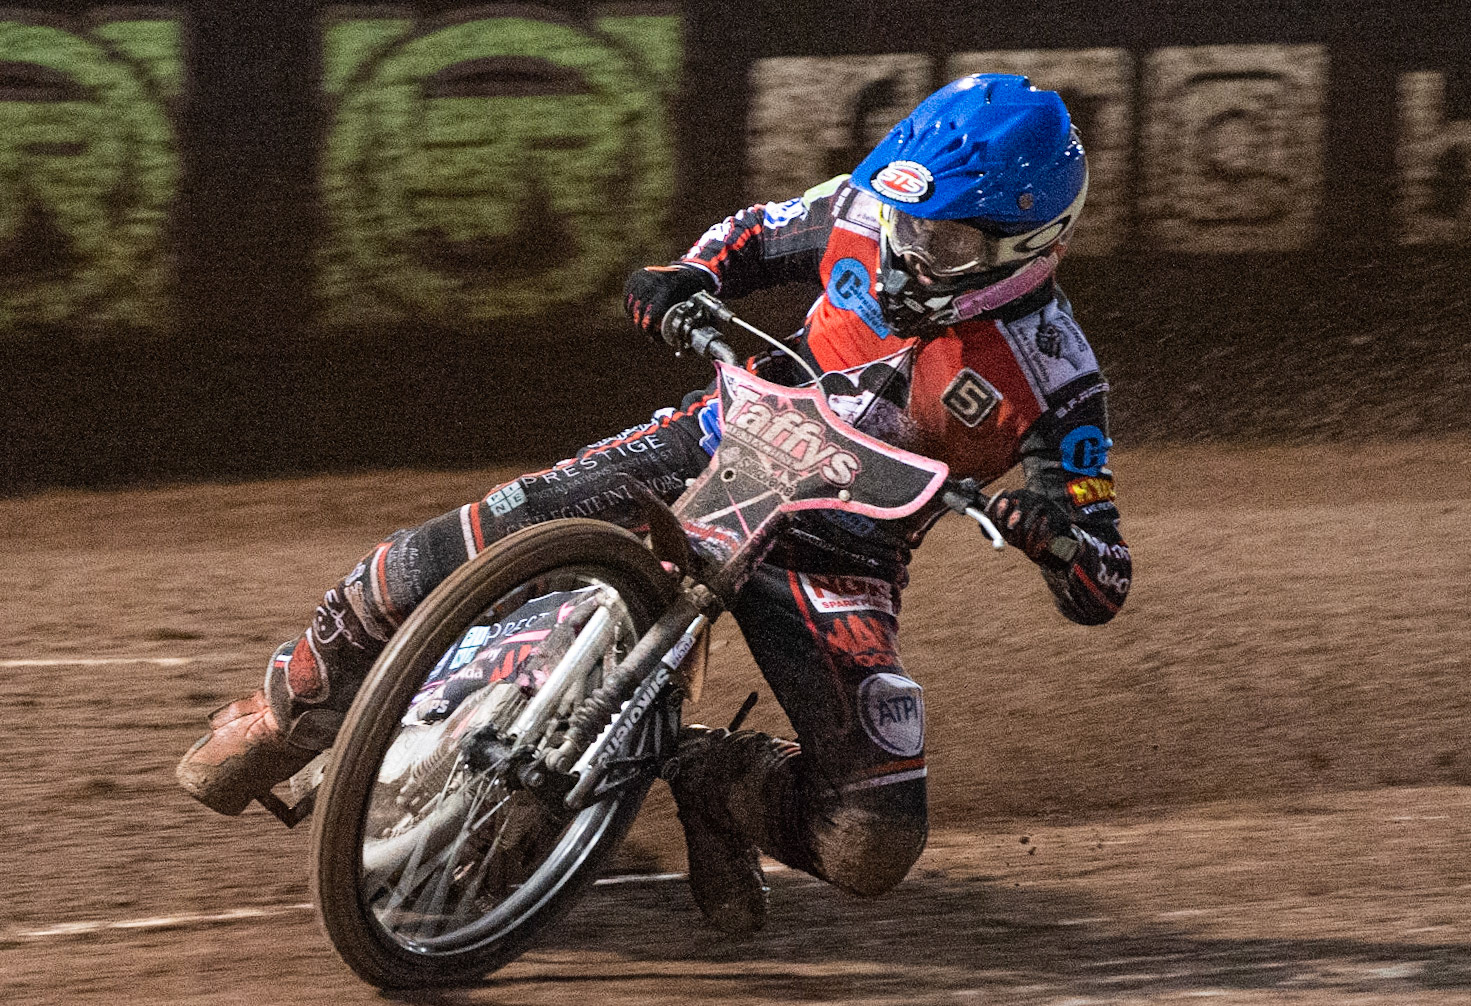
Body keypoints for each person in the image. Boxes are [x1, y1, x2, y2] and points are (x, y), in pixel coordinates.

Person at [177, 74, 1132, 935]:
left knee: (872, 840)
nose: (904, 250)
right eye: (902, 220)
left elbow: (1103, 577)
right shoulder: (859, 211)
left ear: (1029, 243)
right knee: (447, 550)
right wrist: (690, 275)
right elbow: (751, 235)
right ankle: (284, 715)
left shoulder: (1057, 377)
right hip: (713, 441)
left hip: (838, 555)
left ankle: (715, 778)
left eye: (944, 241)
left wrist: (1058, 539)